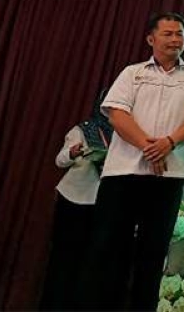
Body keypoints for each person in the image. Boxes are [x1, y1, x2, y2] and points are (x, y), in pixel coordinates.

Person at [88, 13, 184, 311]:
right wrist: (149, 147)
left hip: (168, 177)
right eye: (168, 33)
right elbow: (117, 114)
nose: (175, 40)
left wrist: (168, 144)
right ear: (151, 39)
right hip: (123, 174)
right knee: (110, 250)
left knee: (153, 253)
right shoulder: (132, 73)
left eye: (179, 34)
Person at [40, 89, 113, 310]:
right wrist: (72, 153)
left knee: (88, 259)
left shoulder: (123, 135)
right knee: (63, 256)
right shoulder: (83, 130)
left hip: (98, 203)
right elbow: (59, 161)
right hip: (72, 199)